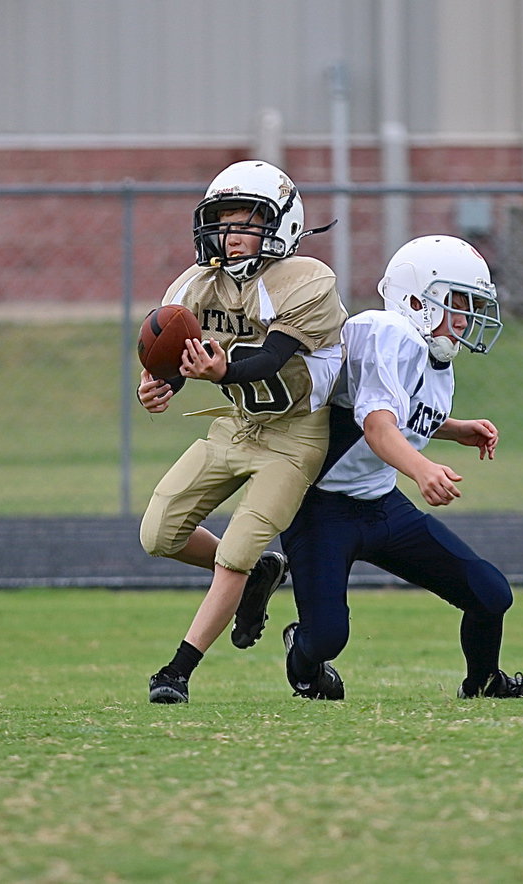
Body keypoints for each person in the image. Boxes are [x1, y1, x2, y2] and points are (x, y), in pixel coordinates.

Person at [261, 234, 523, 700]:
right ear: (415, 299)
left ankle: (485, 682)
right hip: (322, 509)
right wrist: (423, 469)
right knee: (326, 638)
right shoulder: (390, 332)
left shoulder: (426, 352)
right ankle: (303, 663)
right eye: (459, 303)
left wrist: (454, 428)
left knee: (489, 592)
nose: (468, 318)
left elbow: (396, 412)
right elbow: (377, 426)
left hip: (380, 504)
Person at [138, 160, 347, 704]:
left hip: (295, 434)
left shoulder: (307, 280)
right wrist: (161, 384)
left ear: (282, 224)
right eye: (223, 223)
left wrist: (222, 372)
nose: (230, 237)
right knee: (158, 534)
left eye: (245, 223)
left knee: (235, 550)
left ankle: (177, 672)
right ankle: (261, 575)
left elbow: (271, 356)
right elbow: (182, 356)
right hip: (235, 425)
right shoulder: (194, 285)